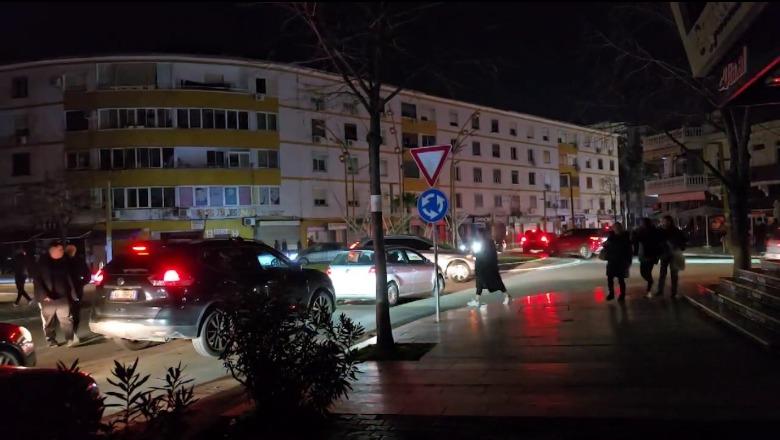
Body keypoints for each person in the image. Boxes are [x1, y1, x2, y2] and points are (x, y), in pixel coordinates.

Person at [34, 241, 77, 347]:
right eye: (60, 249)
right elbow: (37, 280)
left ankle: (70, 339)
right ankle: (51, 340)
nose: (62, 251)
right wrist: (44, 295)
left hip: (63, 297)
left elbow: (69, 277)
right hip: (47, 299)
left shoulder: (64, 261)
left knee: (66, 319)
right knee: (49, 321)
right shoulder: (42, 262)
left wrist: (72, 292)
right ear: (52, 250)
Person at [468, 229, 510, 307]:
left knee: (497, 283)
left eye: (479, 235)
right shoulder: (484, 242)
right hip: (482, 267)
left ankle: (507, 296)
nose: (478, 236)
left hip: (488, 268)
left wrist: (475, 254)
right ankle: (476, 300)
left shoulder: (487, 243)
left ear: (482, 235)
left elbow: (485, 254)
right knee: (479, 284)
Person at [656, 216, 688, 298]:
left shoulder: (675, 230)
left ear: (669, 222)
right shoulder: (661, 230)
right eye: (663, 221)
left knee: (673, 274)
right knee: (663, 273)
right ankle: (661, 290)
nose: (663, 223)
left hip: (673, 254)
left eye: (665, 221)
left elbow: (683, 240)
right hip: (665, 254)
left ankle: (672, 292)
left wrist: (678, 246)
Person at [632, 218, 663, 298]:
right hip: (644, 255)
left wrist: (635, 232)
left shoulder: (651, 231)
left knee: (647, 272)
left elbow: (640, 239)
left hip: (650, 255)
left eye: (641, 223)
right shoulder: (642, 231)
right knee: (643, 272)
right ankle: (650, 284)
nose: (640, 224)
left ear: (645, 223)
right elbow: (635, 240)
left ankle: (649, 289)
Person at [65, 244, 90, 337]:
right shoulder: (79, 261)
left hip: (66, 290)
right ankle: (73, 332)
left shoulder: (62, 262)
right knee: (75, 312)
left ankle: (71, 333)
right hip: (76, 290)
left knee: (68, 313)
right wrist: (82, 282)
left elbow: (87, 275)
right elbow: (87, 275)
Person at [603, 222, 633, 301]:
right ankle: (611, 293)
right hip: (612, 260)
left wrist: (628, 261)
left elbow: (629, 250)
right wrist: (605, 246)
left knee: (621, 279)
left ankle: (622, 294)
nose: (616, 229)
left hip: (621, 261)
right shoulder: (611, 236)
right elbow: (607, 246)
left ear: (620, 228)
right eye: (615, 227)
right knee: (610, 278)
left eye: (617, 227)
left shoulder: (625, 237)